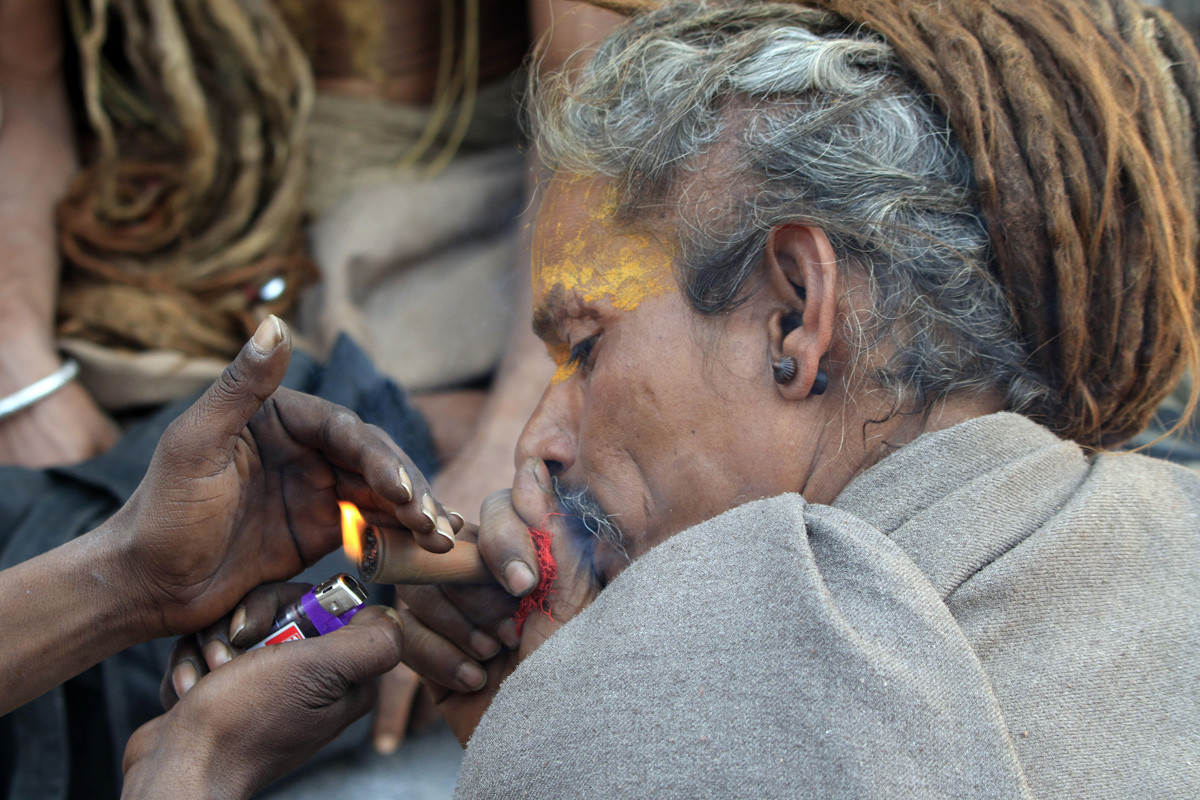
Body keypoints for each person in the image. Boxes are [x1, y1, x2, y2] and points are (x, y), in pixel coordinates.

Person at [115, 0, 1200, 796]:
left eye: (583, 349)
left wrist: (191, 773)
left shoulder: (675, 696)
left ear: (793, 315)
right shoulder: (1173, 532)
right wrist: (526, 725)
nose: (537, 442)